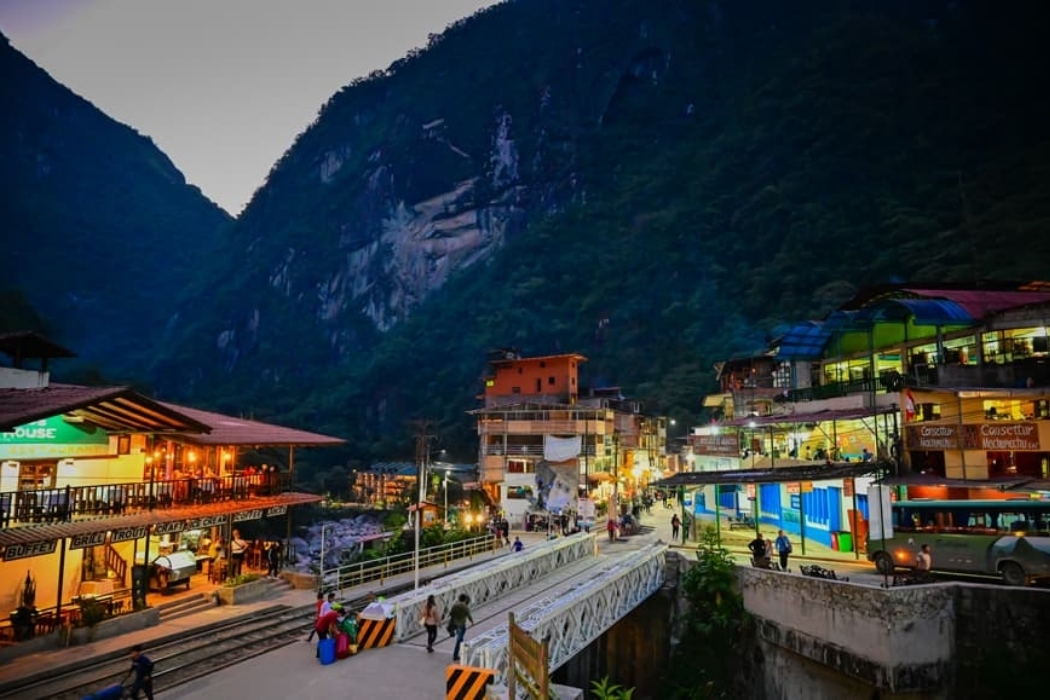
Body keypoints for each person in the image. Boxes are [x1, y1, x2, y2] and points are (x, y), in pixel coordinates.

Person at [448, 594, 474, 662]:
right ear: (465, 599)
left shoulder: (455, 605)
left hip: (455, 624)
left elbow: (450, 614)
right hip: (461, 625)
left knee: (460, 639)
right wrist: (472, 622)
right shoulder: (465, 607)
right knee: (459, 640)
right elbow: (469, 616)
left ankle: (462, 649)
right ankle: (456, 655)